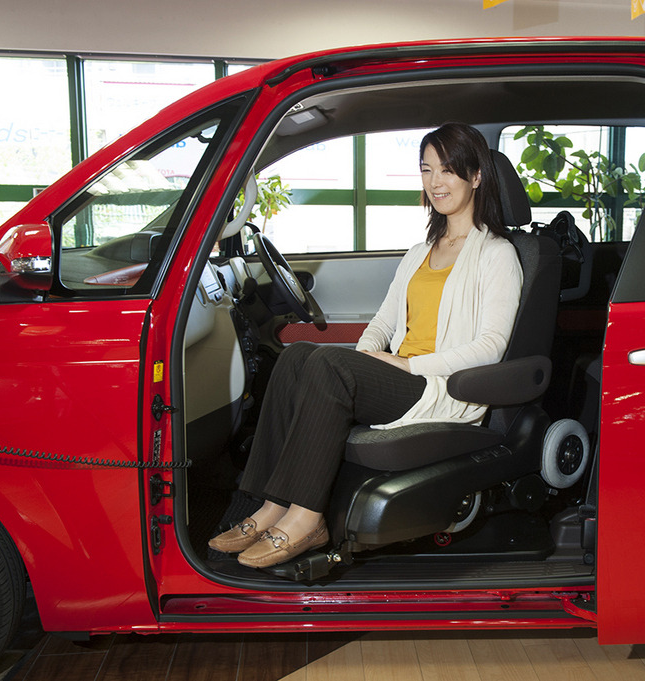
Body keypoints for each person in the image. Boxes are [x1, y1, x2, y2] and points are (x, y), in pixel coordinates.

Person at [209, 123, 523, 569]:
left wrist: (404, 364)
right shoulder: (421, 250)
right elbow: (383, 320)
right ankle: (269, 506)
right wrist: (364, 357)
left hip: (439, 386)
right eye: (427, 170)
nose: (436, 182)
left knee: (328, 365)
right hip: (402, 375)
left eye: (449, 170)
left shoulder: (498, 255)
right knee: (300, 356)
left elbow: (491, 347)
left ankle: (306, 519)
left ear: (475, 177)